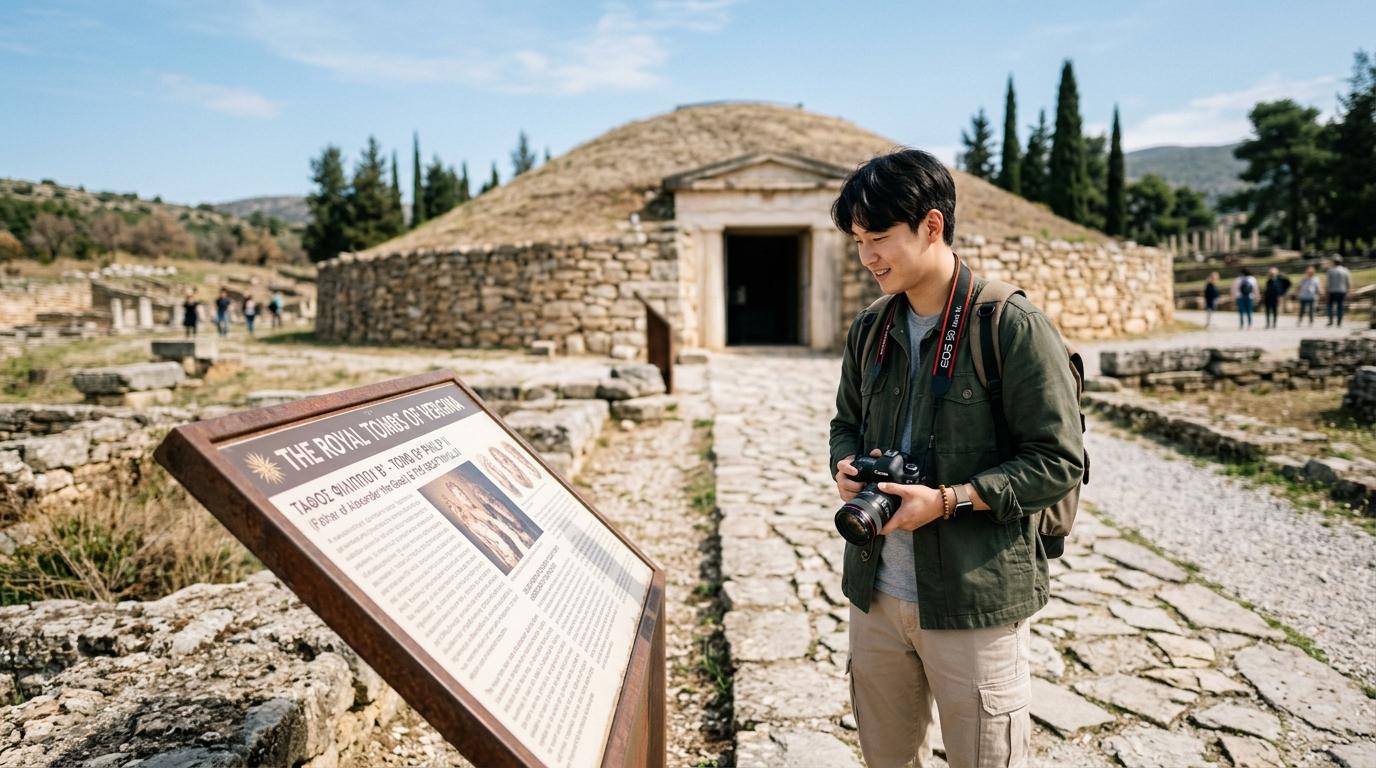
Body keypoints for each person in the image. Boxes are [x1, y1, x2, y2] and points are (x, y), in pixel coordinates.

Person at [828, 149, 1083, 768]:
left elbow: (1057, 461)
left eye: (880, 238)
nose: (868, 258)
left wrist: (948, 500)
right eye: (859, 241)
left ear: (933, 226)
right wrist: (846, 467)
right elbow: (845, 424)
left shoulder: (1011, 325)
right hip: (876, 593)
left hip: (973, 601)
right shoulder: (870, 329)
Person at [1326, 256, 1352, 326]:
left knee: (1330, 306)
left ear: (1334, 262)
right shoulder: (1345, 270)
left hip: (1332, 291)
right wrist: (1349, 291)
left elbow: (1328, 283)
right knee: (1340, 306)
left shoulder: (1330, 270)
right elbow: (1348, 282)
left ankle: (1331, 321)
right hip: (1342, 291)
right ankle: (1339, 322)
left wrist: (1327, 291)